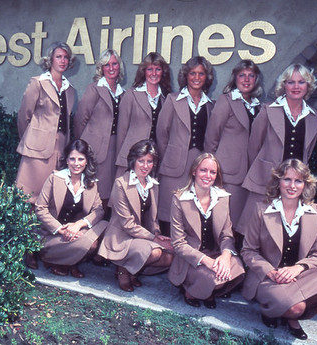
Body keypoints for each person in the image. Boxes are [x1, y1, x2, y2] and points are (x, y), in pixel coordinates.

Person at [241, 159, 317, 340]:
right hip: (269, 277)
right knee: (297, 308)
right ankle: (285, 312)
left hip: (299, 275)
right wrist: (271, 272)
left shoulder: (314, 212)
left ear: (305, 185)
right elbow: (248, 250)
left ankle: (281, 308)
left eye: (298, 181)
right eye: (287, 179)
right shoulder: (261, 210)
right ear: (278, 182)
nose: (292, 186)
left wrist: (298, 268)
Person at [237, 63, 317, 236]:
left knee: (282, 234)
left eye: (301, 82)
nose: (296, 87)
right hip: (264, 181)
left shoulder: (313, 117)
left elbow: (308, 152)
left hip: (293, 186)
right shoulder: (268, 110)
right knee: (254, 232)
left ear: (308, 86)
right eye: (291, 82)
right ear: (283, 86)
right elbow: (253, 146)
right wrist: (261, 170)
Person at [168, 153, 245, 309]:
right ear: (194, 171)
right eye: (203, 170)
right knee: (213, 279)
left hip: (216, 254)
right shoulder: (180, 199)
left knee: (239, 269)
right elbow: (178, 243)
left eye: (212, 172)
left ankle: (205, 289)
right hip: (191, 258)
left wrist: (225, 256)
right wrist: (206, 261)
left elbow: (227, 235)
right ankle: (192, 291)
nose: (208, 175)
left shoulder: (222, 198)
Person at [98, 139, 173, 292]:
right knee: (156, 252)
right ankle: (123, 270)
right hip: (122, 236)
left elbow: (153, 218)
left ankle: (133, 269)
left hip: (142, 236)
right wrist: (154, 239)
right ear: (133, 161)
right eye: (141, 161)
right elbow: (128, 225)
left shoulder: (153, 183)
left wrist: (158, 233)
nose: (146, 166)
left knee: (169, 258)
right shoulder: (121, 184)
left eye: (150, 161)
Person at [204, 59, 263, 245]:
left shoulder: (258, 106)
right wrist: (211, 170)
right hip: (228, 173)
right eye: (242, 75)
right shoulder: (226, 101)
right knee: (224, 222)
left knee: (240, 222)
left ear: (256, 79)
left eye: (251, 75)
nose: (246, 80)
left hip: (250, 173)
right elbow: (211, 137)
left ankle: (232, 260)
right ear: (234, 78)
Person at [156, 56, 214, 236]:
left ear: (207, 77)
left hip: (197, 165)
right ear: (186, 76)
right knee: (168, 210)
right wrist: (170, 157)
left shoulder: (210, 105)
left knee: (191, 210)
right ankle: (166, 256)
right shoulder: (172, 100)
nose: (196, 77)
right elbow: (161, 133)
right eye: (192, 73)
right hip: (173, 165)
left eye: (201, 74)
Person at [35, 139, 108, 278]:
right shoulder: (55, 178)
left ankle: (69, 261)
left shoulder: (91, 182)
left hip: (77, 233)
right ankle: (60, 261)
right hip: (52, 235)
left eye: (81, 159)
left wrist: (78, 225)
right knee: (90, 245)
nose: (76, 163)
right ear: (67, 160)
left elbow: (99, 210)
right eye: (72, 159)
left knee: (105, 226)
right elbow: (40, 208)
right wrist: (61, 229)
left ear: (87, 161)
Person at [16, 41, 76, 205]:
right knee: (30, 196)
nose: (63, 61)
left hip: (60, 148)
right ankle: (27, 230)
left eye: (66, 57)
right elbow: (24, 116)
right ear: (50, 59)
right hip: (37, 148)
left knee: (52, 196)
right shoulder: (38, 83)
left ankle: (46, 229)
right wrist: (31, 139)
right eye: (58, 57)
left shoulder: (70, 90)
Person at [74, 49, 125, 211]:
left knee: (110, 190)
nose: (111, 68)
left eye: (114, 64)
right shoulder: (94, 89)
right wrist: (85, 145)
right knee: (96, 189)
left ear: (119, 66)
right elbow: (80, 119)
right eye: (106, 65)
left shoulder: (124, 93)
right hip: (95, 148)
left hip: (115, 146)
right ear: (101, 68)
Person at [115, 52, 172, 177]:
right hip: (131, 158)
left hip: (155, 159)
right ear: (143, 71)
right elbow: (122, 130)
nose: (154, 73)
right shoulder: (131, 95)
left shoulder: (167, 99)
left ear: (163, 72)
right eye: (150, 69)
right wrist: (121, 158)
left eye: (158, 69)